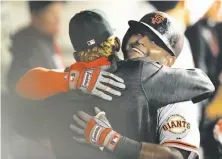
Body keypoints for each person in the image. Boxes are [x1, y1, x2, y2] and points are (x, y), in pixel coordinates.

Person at [34, 10, 215, 159]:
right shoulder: (93, 79)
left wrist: (112, 140)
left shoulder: (177, 100)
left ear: (169, 61)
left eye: (155, 41)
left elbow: (176, 158)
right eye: (139, 32)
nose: (141, 40)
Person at [7, 1, 64, 92]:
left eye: (58, 13)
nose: (58, 19)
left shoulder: (48, 41)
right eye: (51, 13)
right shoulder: (29, 47)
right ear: (35, 17)